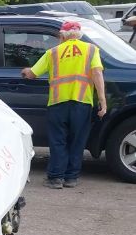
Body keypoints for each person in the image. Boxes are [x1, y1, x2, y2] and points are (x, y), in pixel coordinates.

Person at [21, 20, 106, 189]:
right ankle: (71, 178)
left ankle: (55, 179)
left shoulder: (53, 52)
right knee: (77, 141)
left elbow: (32, 74)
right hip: (82, 103)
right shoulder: (91, 50)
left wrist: (24, 71)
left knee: (58, 141)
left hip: (58, 103)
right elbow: (97, 73)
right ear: (79, 34)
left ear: (62, 35)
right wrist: (102, 101)